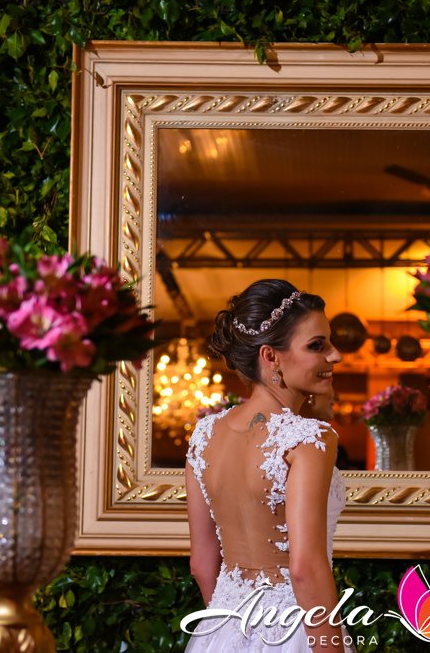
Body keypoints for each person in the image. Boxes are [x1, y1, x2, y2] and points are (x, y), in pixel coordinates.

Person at [184, 279, 351, 652]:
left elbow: (202, 564)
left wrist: (230, 634)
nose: (335, 355)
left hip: (223, 628)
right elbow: (305, 569)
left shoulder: (204, 435)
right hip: (294, 629)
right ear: (271, 357)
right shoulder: (309, 439)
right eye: (317, 345)